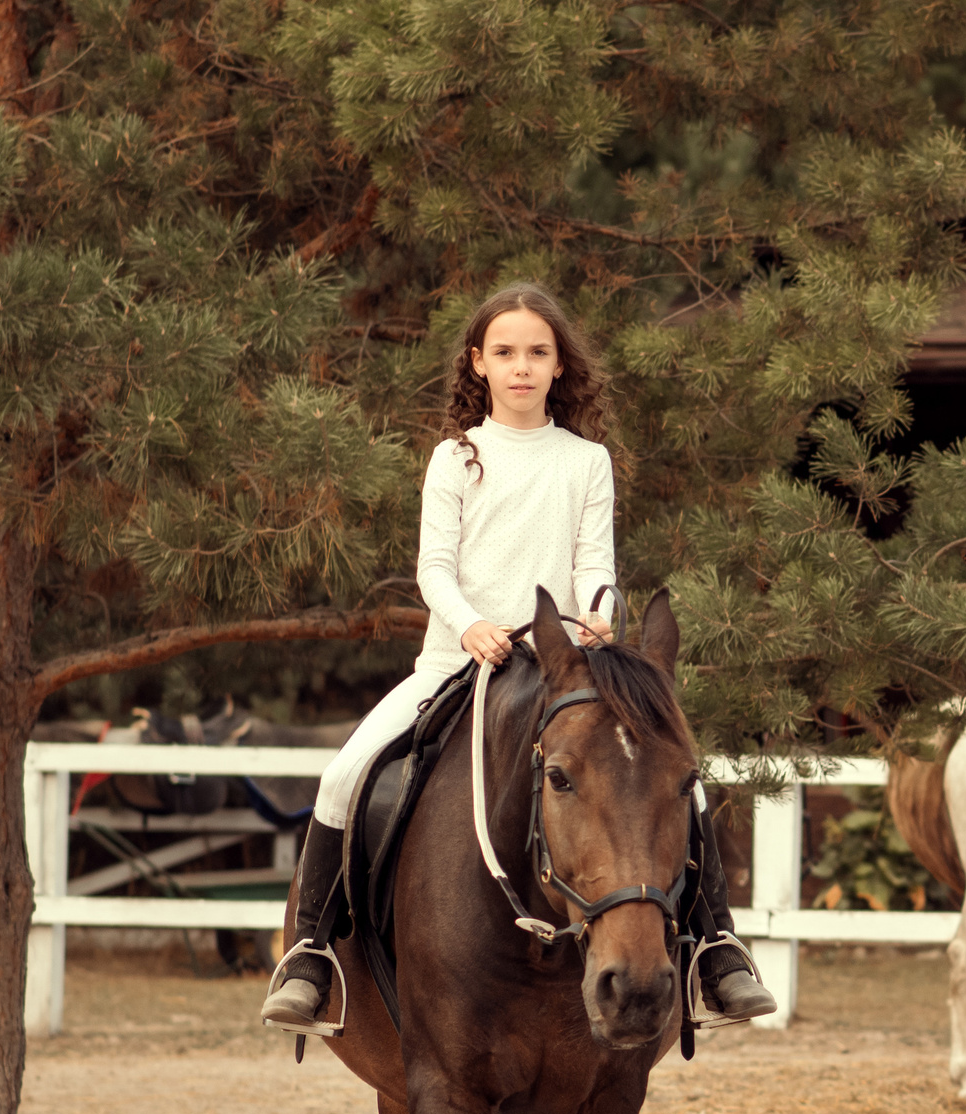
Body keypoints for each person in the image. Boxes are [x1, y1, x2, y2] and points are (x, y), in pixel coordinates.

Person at [260, 282, 776, 1036]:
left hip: (559, 666)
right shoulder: (455, 457)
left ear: (560, 365)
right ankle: (310, 952)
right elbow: (433, 566)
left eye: (537, 352)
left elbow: (594, 562)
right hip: (457, 661)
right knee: (343, 774)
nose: (522, 366)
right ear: (479, 363)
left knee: (678, 787)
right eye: (504, 352)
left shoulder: (586, 460)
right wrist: (468, 625)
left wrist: (599, 612)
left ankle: (718, 950)